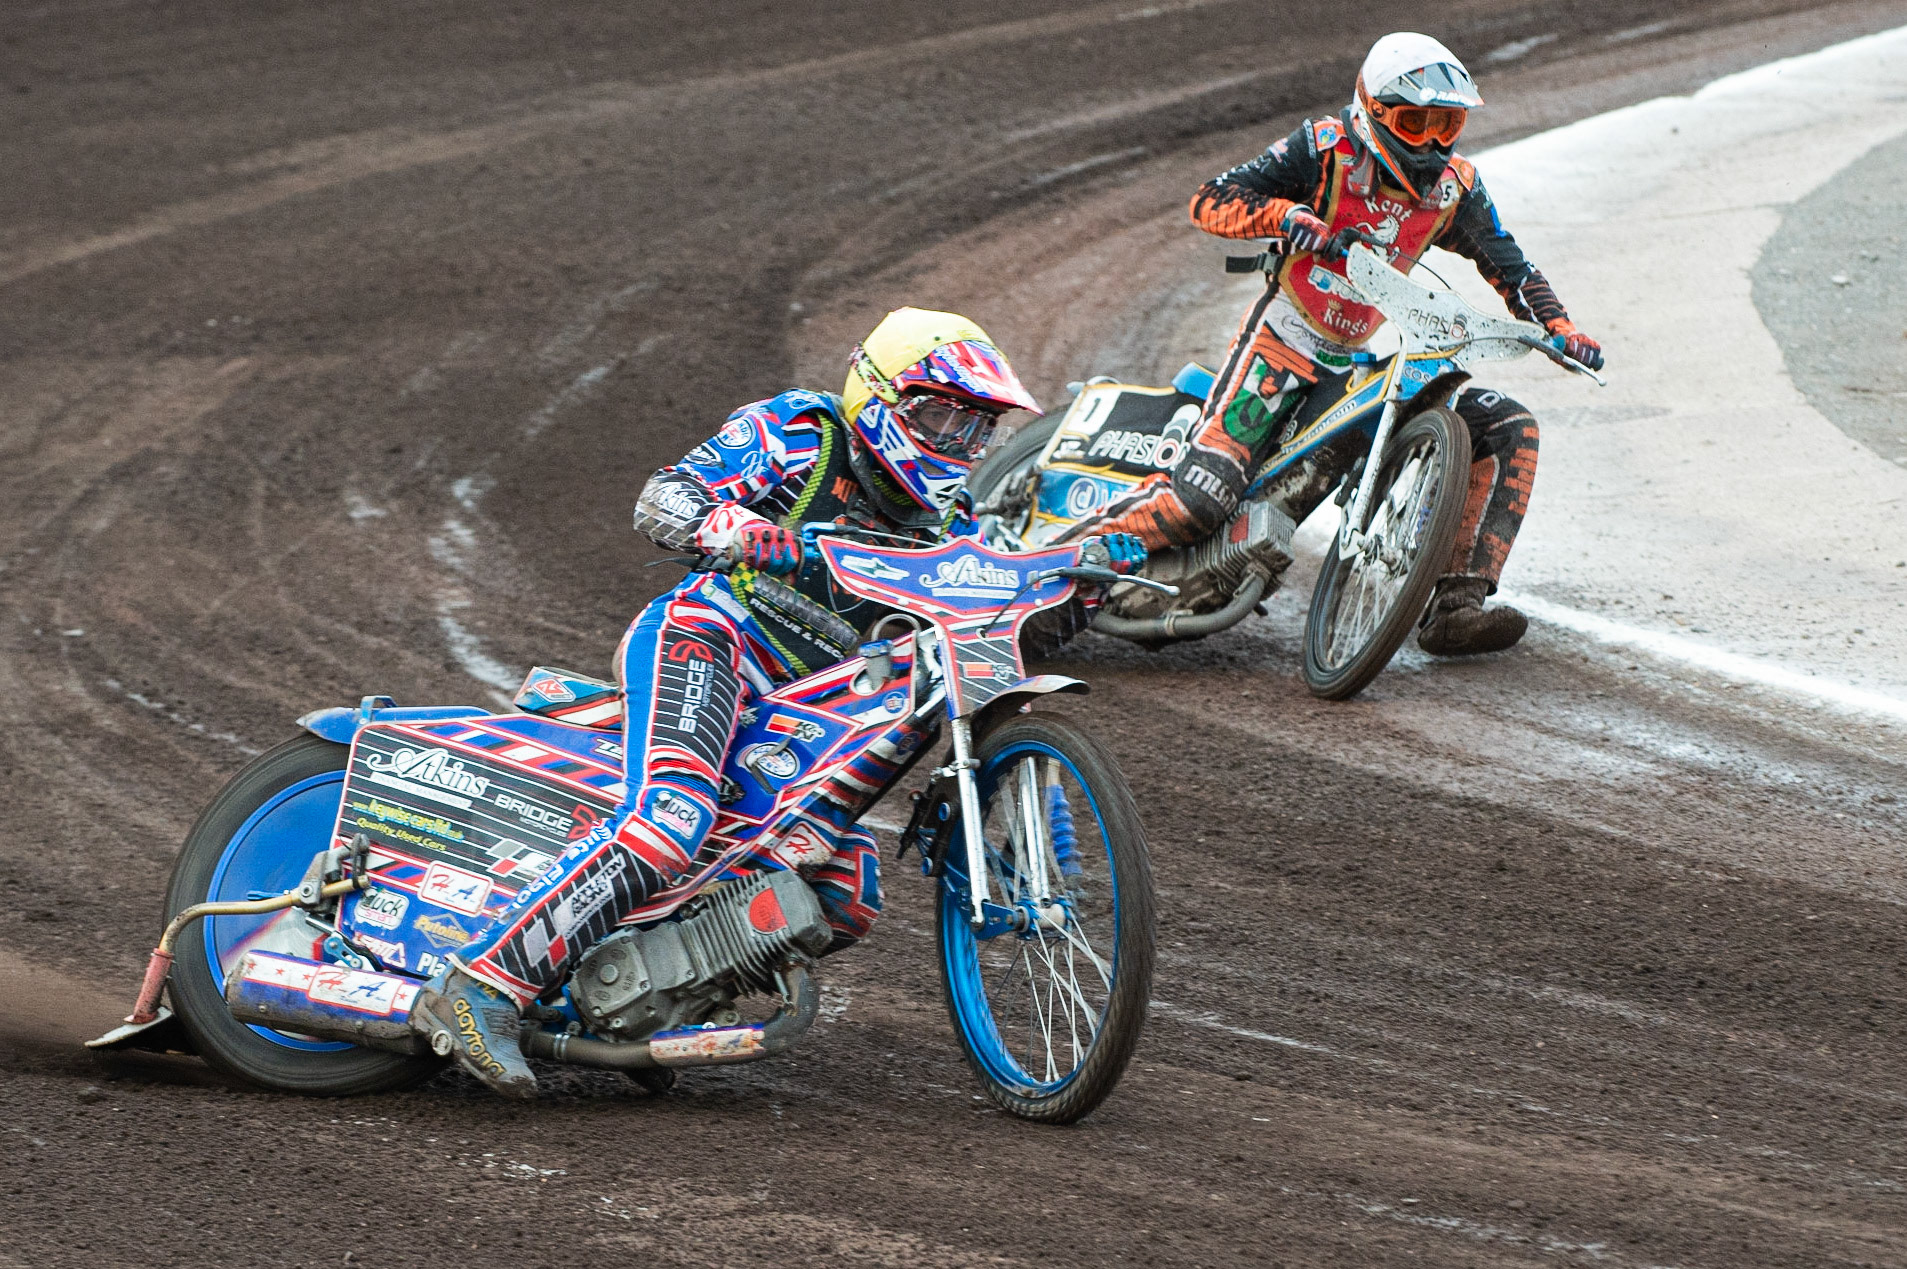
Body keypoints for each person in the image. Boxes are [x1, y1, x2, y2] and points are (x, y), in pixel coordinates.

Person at [411, 307, 1144, 1097]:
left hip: (801, 706)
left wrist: (1080, 581)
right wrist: (724, 523)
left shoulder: (951, 524)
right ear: (881, 400)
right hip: (712, 641)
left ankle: (640, 1001)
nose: (957, 445)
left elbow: (1004, 614)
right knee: (671, 817)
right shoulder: (799, 432)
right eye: (939, 417)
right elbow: (663, 497)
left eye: (975, 432)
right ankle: (483, 985)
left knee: (842, 889)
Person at [1069, 32, 1603, 655]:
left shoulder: (1455, 189)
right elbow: (1210, 200)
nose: (1432, 143)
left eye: (1447, 124)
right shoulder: (1324, 150)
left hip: (1358, 360)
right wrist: (1287, 218)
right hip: (1282, 340)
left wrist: (1559, 329)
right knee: (1202, 498)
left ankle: (1455, 604)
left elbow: (1512, 267)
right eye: (1415, 122)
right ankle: (1068, 556)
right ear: (1373, 112)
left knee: (1511, 426)